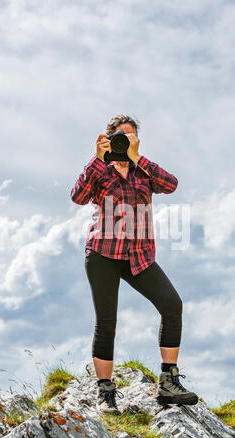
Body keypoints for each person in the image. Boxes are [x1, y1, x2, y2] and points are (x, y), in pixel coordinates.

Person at [70, 114, 198, 414]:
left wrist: (138, 157)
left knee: (172, 305)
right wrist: (96, 159)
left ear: (137, 140)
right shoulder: (100, 170)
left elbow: (172, 184)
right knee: (106, 322)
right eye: (119, 135)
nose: (124, 140)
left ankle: (168, 382)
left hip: (139, 256)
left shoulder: (144, 172)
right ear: (108, 137)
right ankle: (105, 391)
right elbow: (77, 196)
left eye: (131, 136)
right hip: (102, 254)